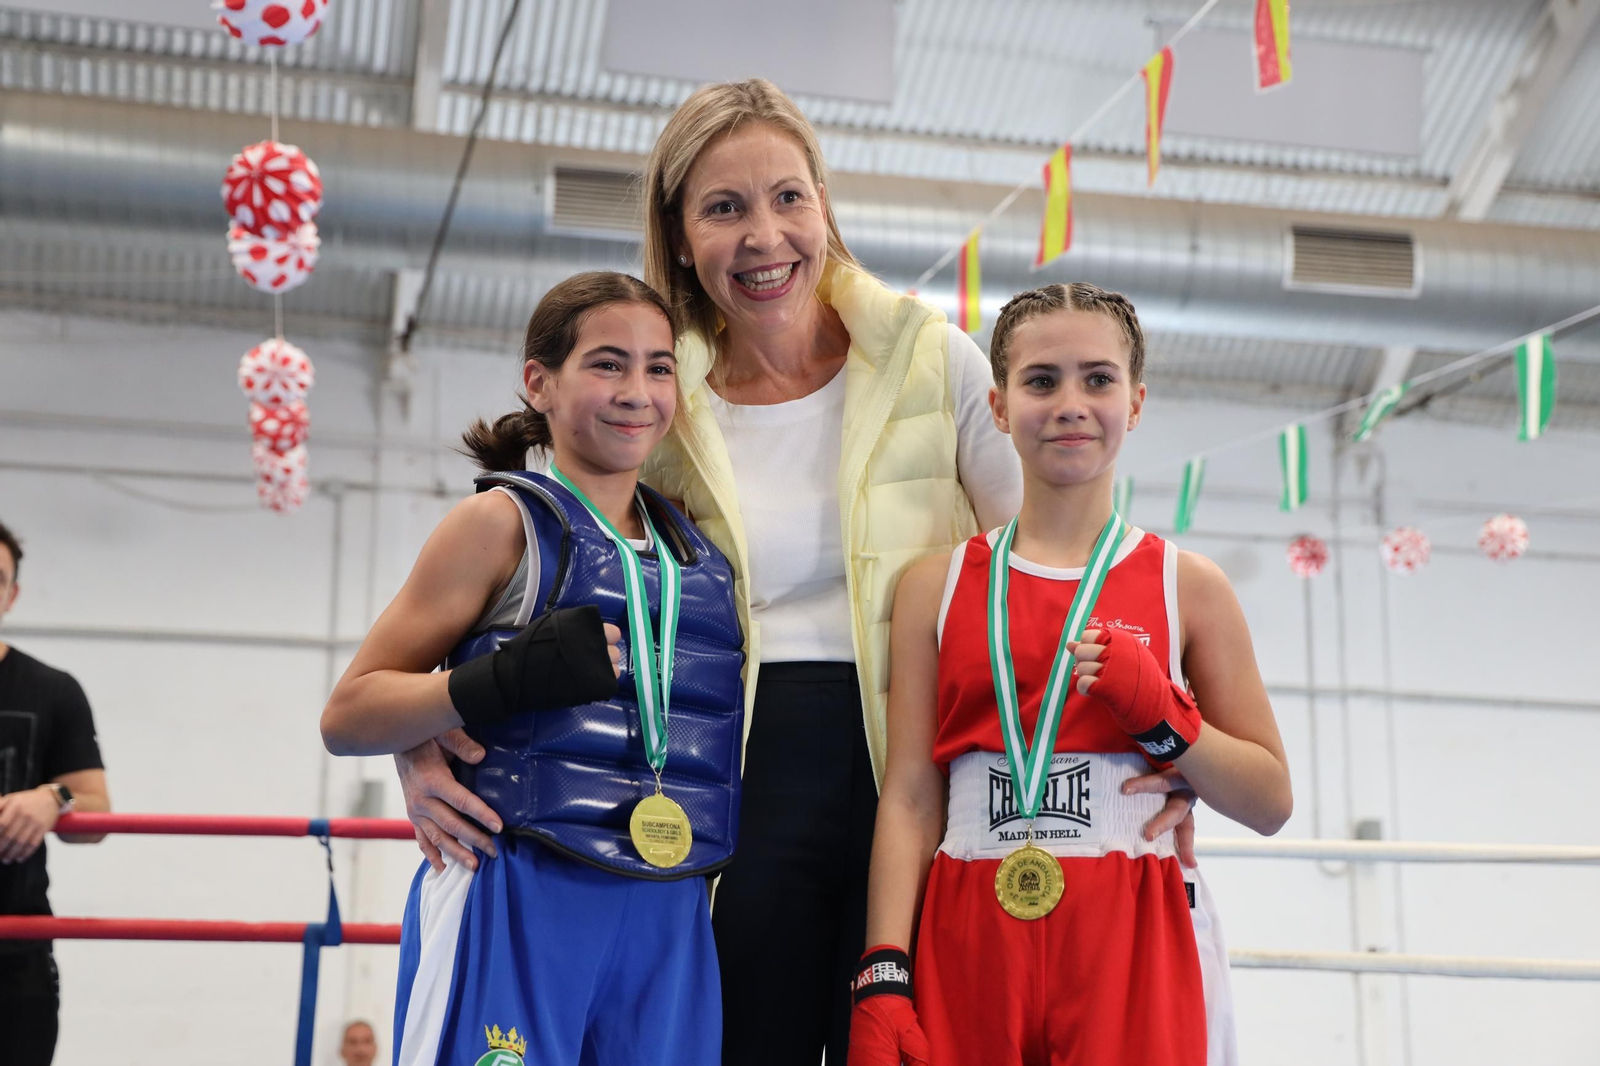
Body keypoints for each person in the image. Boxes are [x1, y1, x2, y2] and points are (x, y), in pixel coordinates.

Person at [390, 79, 1200, 1065]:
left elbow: (1056, 577)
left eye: (786, 197)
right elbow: (541, 574)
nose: (764, 236)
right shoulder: (660, 398)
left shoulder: (930, 361)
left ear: (823, 204)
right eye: (723, 208)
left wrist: (1149, 745)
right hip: (739, 776)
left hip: (928, 775)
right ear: (680, 236)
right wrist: (423, 741)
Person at [847, 284, 1293, 1066]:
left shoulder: (1188, 585)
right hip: (968, 909)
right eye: (1042, 380)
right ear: (997, 402)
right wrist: (883, 968)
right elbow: (913, 794)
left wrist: (1168, 719)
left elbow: (1269, 800)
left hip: (1132, 916)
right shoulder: (936, 584)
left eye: (1098, 378)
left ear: (1138, 400)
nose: (1070, 403)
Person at [320, 272, 744, 1066]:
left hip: (671, 899)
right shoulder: (500, 523)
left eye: (658, 368)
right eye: (607, 363)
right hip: (516, 878)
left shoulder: (698, 549)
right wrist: (498, 682)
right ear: (539, 381)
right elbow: (348, 714)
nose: (637, 391)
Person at [0, 520, 112, 1066]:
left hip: (14, 950)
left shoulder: (51, 690)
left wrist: (54, 796)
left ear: (12, 595)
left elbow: (98, 813)